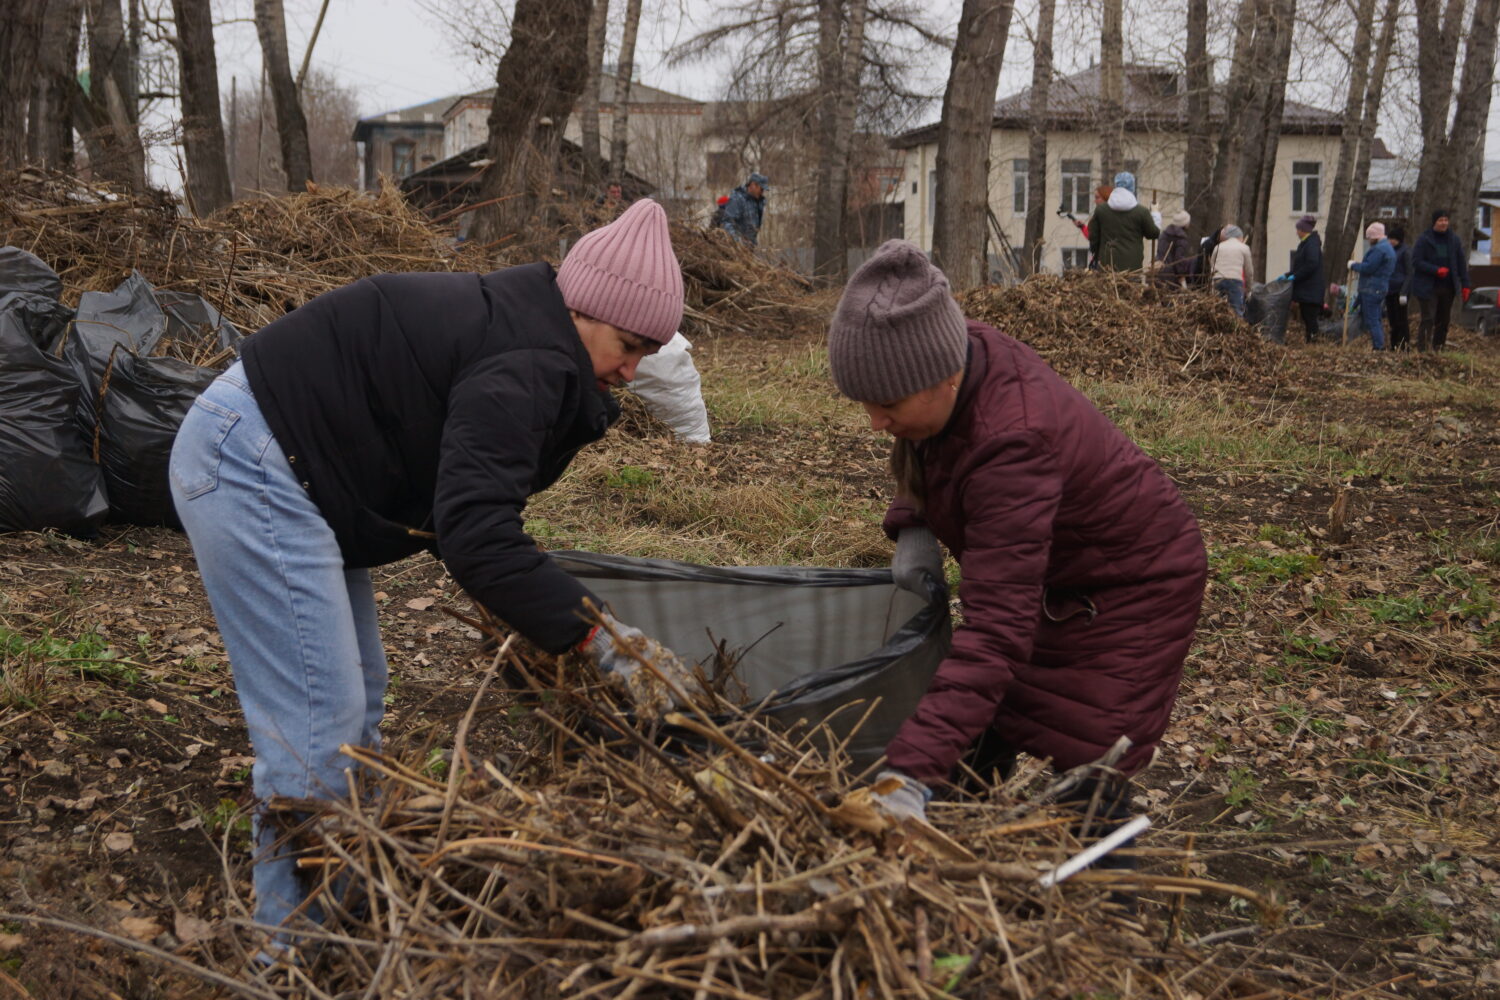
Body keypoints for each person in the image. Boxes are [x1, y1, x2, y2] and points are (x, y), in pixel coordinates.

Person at [169, 199, 690, 957]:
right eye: (628, 344)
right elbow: (478, 533)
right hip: (253, 458)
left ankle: (346, 899)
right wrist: (602, 638)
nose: (633, 370)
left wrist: (542, 610)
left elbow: (460, 512)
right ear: (582, 310)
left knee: (359, 698)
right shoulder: (531, 362)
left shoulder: (532, 337)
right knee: (319, 725)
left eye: (650, 352)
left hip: (302, 467)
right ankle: (290, 957)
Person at [826, 239, 1206, 840]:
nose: (876, 423)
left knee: (1091, 755)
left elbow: (999, 631)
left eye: (888, 405)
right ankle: (938, 840)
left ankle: (1109, 904)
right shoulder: (954, 356)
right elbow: (935, 447)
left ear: (944, 378)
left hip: (1134, 585)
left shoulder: (1014, 443)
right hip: (1065, 568)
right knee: (988, 718)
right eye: (865, 405)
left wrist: (907, 772)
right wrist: (916, 524)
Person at [1409, 209, 1472, 352]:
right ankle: (1423, 350)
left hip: (1448, 287)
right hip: (1428, 287)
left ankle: (1439, 348)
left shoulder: (1454, 240)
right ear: (1434, 222)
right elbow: (1416, 261)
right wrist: (1435, 270)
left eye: (1445, 220)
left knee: (1443, 321)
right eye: (1440, 220)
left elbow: (1461, 264)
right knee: (1428, 318)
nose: (1443, 223)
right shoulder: (1424, 240)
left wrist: (1466, 284)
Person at [1086, 171, 1161, 271]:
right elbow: (1153, 233)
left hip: (1106, 268)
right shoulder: (1141, 212)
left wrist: (1096, 254)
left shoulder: (1101, 210)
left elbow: (1093, 237)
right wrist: (1155, 214)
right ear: (1133, 187)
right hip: (1132, 268)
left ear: (1116, 186)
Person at [1277, 214, 1325, 344]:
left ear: (1303, 230)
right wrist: (1287, 275)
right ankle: (1311, 342)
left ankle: (1313, 343)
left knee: (1310, 318)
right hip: (1307, 290)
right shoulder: (1306, 244)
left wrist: (1295, 276)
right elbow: (1301, 266)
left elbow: (1311, 264)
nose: (1297, 232)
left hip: (1311, 290)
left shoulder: (1311, 244)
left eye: (1298, 229)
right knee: (1307, 317)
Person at [1348, 221, 1395, 350]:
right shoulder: (1388, 248)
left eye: (1369, 238)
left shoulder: (1379, 249)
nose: (1368, 241)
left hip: (1371, 288)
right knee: (1376, 318)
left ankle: (1378, 347)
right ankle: (1378, 344)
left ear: (1375, 237)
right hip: (1380, 288)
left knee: (1373, 319)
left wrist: (1353, 265)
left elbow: (1369, 267)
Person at [1209, 225, 1253, 317]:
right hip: (1235, 281)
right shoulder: (1244, 248)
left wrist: (1211, 284)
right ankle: (1236, 329)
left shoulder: (1218, 247)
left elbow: (1212, 266)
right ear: (1239, 237)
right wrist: (1248, 289)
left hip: (1217, 279)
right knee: (1236, 309)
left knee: (1216, 308)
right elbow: (1249, 272)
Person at [722, 172, 769, 245]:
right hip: (737, 247)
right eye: (761, 189)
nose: (762, 192)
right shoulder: (737, 199)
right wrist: (737, 241)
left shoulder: (758, 201)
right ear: (753, 185)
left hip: (750, 247)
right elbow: (727, 222)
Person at [1385, 223, 1412, 351]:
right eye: (1389, 239)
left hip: (1400, 290)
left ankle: (1404, 345)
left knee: (1401, 320)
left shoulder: (1405, 252)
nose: (1391, 241)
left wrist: (1404, 292)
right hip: (1389, 290)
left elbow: (1410, 273)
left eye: (1393, 239)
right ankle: (1393, 345)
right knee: (1393, 321)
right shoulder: (1389, 251)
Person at [1154, 210, 1193, 288]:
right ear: (1184, 223)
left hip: (1158, 272)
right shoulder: (1181, 238)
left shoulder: (1163, 235)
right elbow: (1179, 260)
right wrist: (1182, 276)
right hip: (1171, 278)